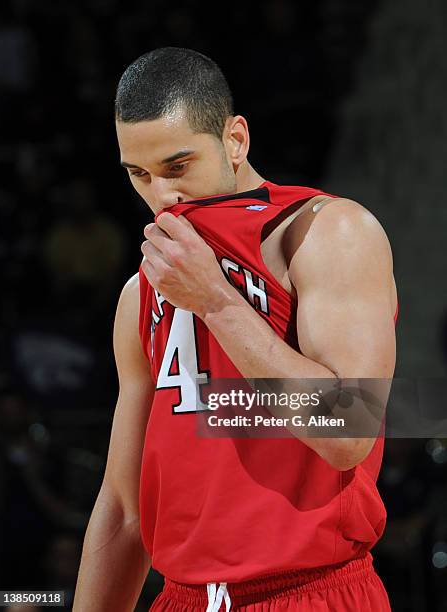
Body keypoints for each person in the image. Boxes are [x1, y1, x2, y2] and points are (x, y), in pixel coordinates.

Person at [73, 47, 398, 611]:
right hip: (183, 597)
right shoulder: (138, 296)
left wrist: (216, 303)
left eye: (178, 167)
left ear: (235, 140)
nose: (162, 196)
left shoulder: (327, 233)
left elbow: (347, 432)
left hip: (310, 592)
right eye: (139, 175)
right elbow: (125, 510)